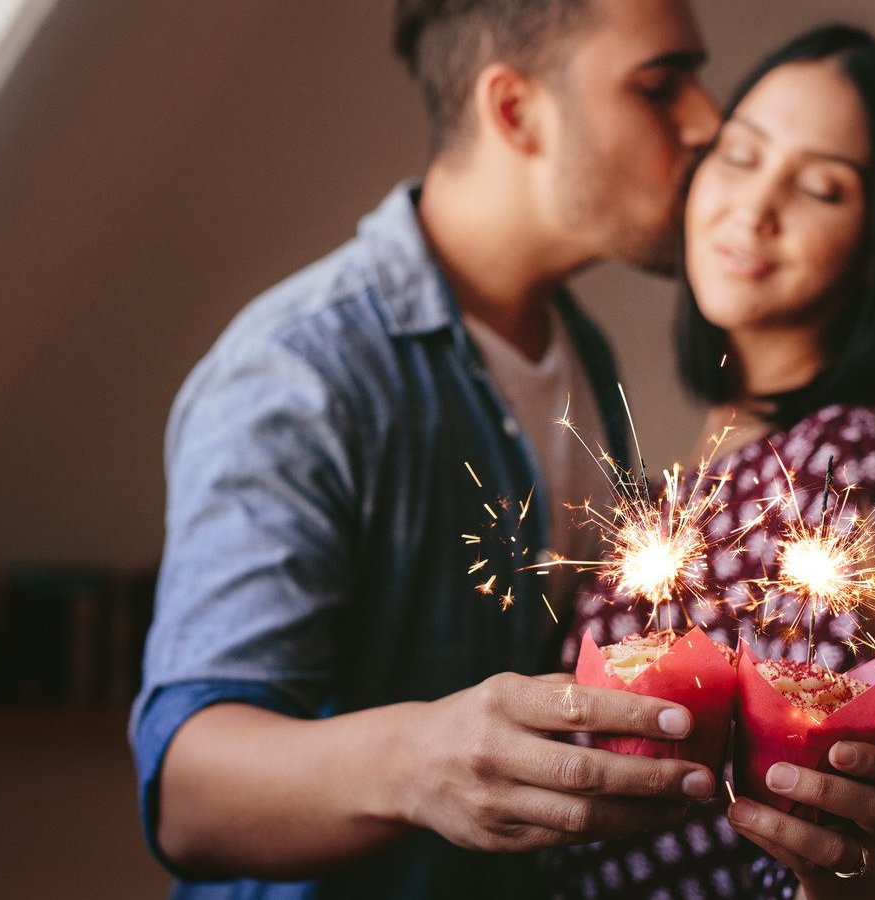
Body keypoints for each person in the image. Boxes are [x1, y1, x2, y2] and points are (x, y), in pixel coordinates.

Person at [131, 2, 724, 898]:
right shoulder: (301, 370)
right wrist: (421, 761)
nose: (707, 119)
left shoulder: (581, 353)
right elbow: (187, 796)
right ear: (515, 110)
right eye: (660, 84)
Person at [546, 24, 875, 900]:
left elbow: (821, 802)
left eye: (820, 188)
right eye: (741, 156)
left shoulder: (842, 461)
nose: (756, 205)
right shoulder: (718, 465)